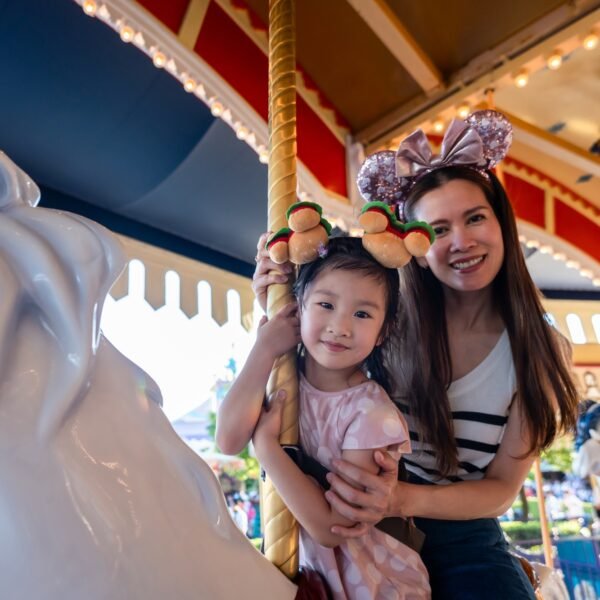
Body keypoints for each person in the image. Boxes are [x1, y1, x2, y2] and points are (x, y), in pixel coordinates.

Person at [251, 111, 579, 599]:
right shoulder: (387, 319)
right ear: (419, 243)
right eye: (439, 229)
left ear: (501, 224)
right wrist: (277, 300)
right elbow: (321, 353)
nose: (461, 242)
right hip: (355, 517)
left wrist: (400, 498)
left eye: (474, 219)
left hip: (459, 534)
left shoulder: (539, 351)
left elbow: (502, 488)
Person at [217, 236, 431, 599]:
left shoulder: (373, 415)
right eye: (326, 304)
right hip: (312, 577)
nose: (340, 326)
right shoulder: (281, 373)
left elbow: (333, 526)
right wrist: (265, 348)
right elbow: (229, 439)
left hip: (375, 585)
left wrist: (269, 449)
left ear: (385, 330)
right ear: (299, 307)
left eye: (362, 314)